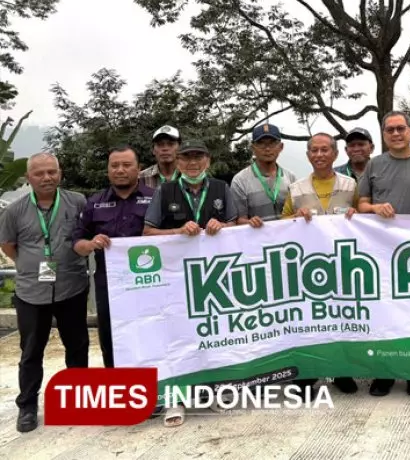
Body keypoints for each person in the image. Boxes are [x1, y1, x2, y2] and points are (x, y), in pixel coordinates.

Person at [142, 140, 237, 427]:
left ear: (208, 161)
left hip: (215, 277)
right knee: (178, 336)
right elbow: (147, 232)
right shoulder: (165, 190)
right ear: (178, 162)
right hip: (176, 280)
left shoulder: (221, 188)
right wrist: (177, 231)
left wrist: (223, 226)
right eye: (187, 158)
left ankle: (214, 391)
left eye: (198, 158)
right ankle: (176, 398)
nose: (192, 163)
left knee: (216, 333)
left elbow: (237, 226)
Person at [0, 153, 89, 433]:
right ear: (28, 178)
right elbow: (8, 246)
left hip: (71, 286)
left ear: (60, 173)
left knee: (77, 347)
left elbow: (85, 233)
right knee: (31, 352)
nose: (46, 177)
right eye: (39, 173)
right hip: (31, 292)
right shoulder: (14, 210)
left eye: (52, 172)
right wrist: (30, 262)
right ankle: (27, 406)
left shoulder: (78, 201)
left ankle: (78, 401)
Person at [358, 111, 410, 397]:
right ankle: (384, 373)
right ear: (383, 135)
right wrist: (376, 208)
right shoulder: (374, 165)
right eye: (389, 129)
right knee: (383, 313)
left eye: (400, 129)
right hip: (379, 252)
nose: (395, 134)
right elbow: (362, 203)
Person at [281, 132, 358, 394]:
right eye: (314, 150)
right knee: (309, 321)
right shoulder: (296, 188)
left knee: (342, 319)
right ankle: (306, 375)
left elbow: (363, 217)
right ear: (308, 155)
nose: (320, 155)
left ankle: (342, 372)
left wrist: (356, 214)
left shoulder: (351, 185)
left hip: (342, 265)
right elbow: (281, 225)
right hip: (307, 267)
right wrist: (294, 216)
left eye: (325, 150)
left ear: (336, 154)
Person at [72, 146, 154, 369]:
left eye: (126, 165)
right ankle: (117, 387)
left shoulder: (155, 198)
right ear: (108, 170)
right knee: (111, 337)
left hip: (149, 282)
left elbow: (172, 235)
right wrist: (91, 244)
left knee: (150, 334)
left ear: (139, 169)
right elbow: (77, 243)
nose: (120, 170)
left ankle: (153, 390)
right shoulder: (95, 202)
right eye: (114, 165)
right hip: (109, 284)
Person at [231, 123, 296, 226]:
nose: (267, 149)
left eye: (272, 143)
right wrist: (249, 222)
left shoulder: (291, 178)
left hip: (287, 241)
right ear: (253, 148)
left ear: (281, 147)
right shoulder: (240, 180)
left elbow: (296, 213)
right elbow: (238, 219)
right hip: (256, 239)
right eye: (261, 143)